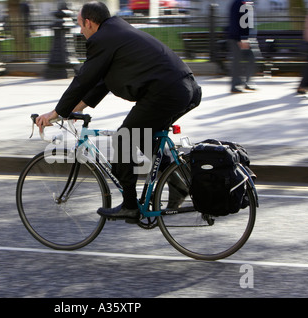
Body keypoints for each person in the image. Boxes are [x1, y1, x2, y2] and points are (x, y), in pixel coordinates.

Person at [36, 1, 201, 221]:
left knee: (123, 139)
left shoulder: (102, 39)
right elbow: (99, 84)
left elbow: (83, 79)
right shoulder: (117, 32)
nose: (81, 31)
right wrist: (68, 111)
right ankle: (178, 184)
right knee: (144, 138)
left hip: (166, 94)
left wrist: (55, 113)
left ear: (89, 22)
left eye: (80, 26)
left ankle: (130, 205)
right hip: (186, 89)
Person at [228, 0, 257, 93]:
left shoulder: (245, 3)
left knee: (251, 58)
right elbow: (236, 22)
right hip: (237, 38)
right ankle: (235, 85)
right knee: (237, 61)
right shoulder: (239, 3)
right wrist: (242, 39)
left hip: (244, 38)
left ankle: (246, 82)